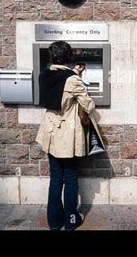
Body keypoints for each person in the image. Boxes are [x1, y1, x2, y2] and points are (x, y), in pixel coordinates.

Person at [36, 40, 95, 231]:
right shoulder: (72, 79)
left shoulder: (44, 75)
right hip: (66, 137)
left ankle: (54, 222)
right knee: (70, 178)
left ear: (52, 57)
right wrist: (76, 75)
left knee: (55, 179)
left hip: (51, 134)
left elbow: (58, 87)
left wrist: (74, 73)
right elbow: (89, 106)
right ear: (68, 58)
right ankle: (71, 221)